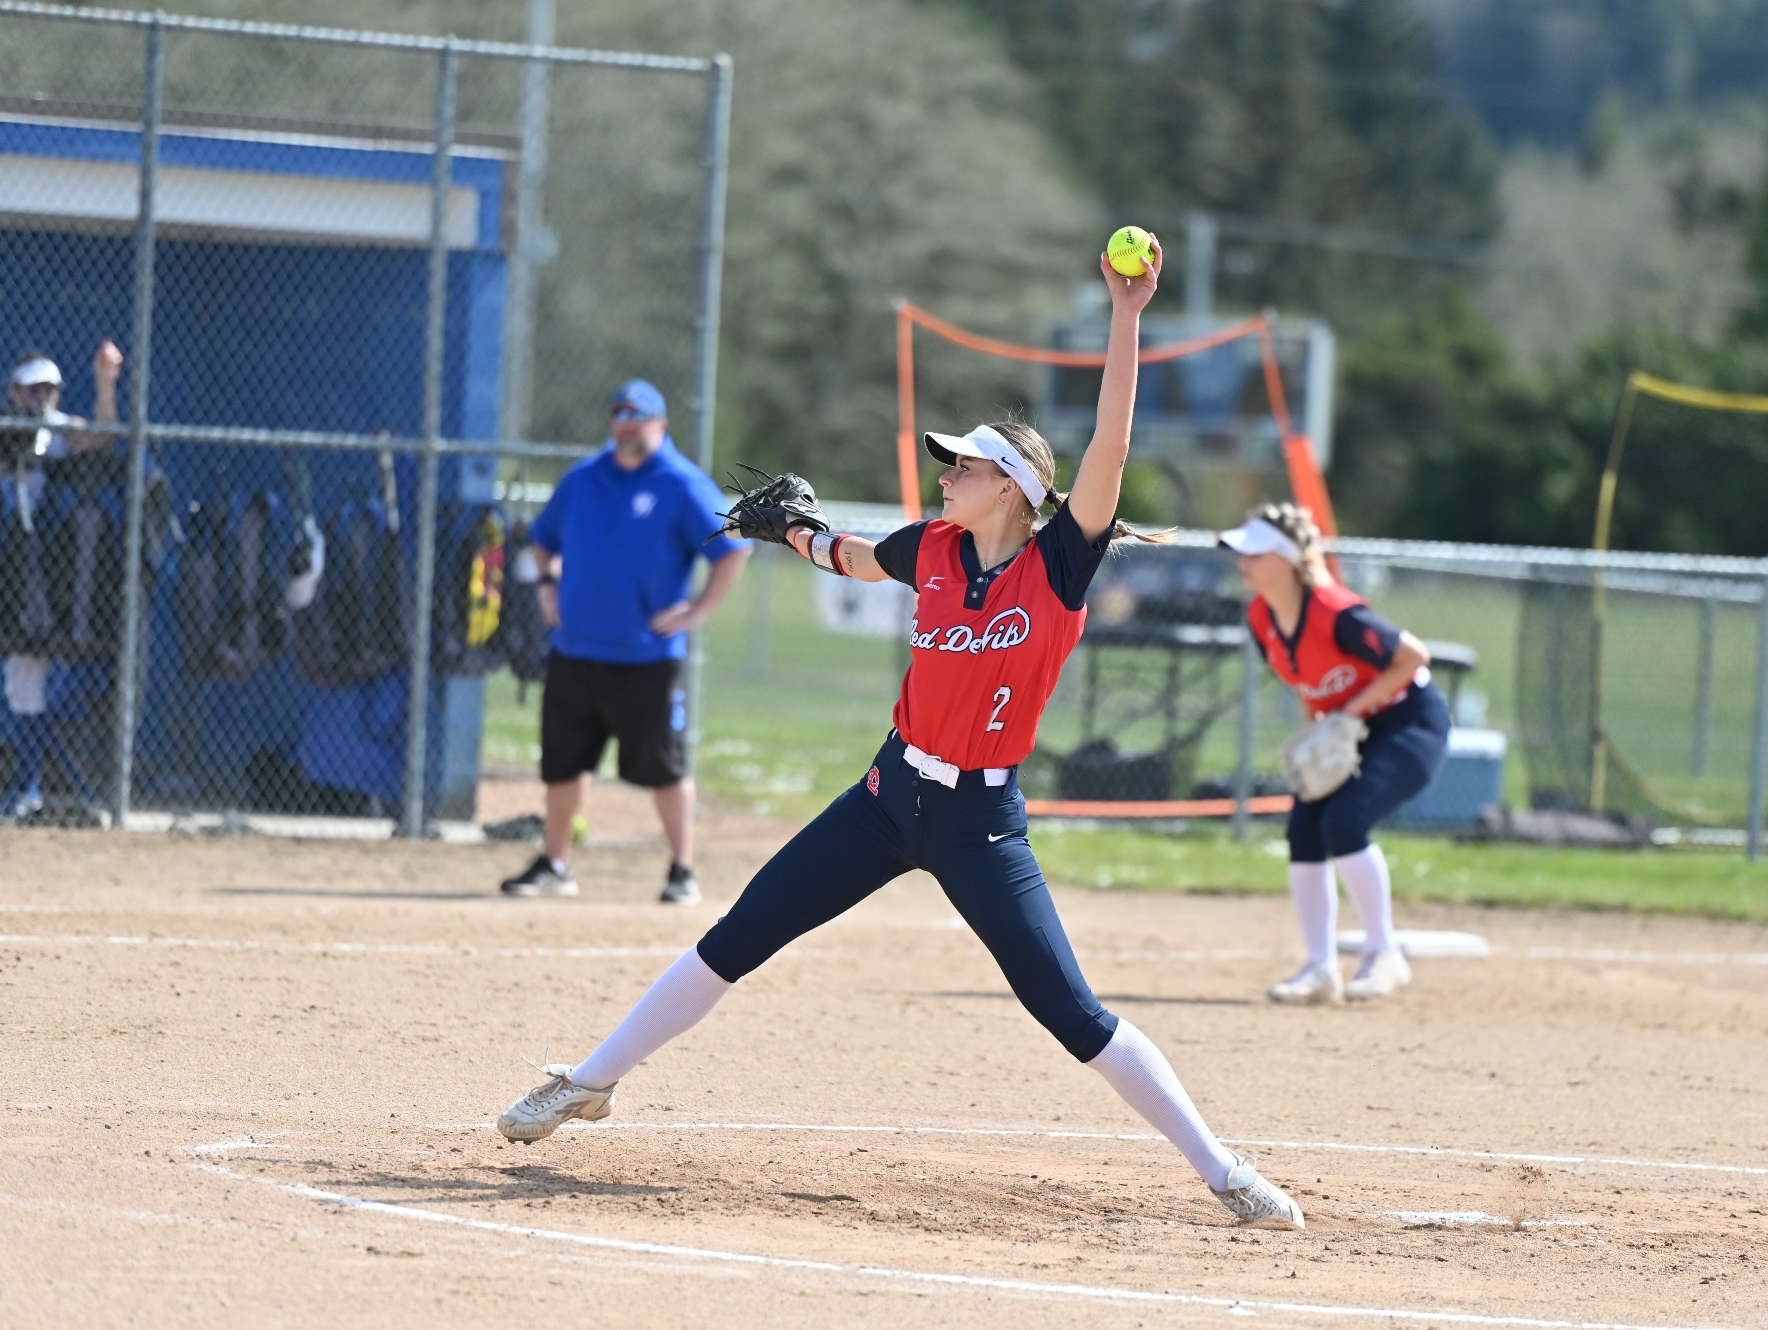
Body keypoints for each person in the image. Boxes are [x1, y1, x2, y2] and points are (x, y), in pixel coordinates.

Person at [494, 239, 1306, 1230]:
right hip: (886, 799)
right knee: (737, 935)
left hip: (979, 824)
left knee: (1069, 1011)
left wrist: (1126, 317)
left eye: (963, 465)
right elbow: (842, 552)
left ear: (1008, 485)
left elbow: (1108, 453)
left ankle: (1222, 1171)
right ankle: (588, 1079)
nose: (946, 474)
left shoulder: (1054, 567)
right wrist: (788, 532)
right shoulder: (929, 547)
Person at [498, 380, 750, 904]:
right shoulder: (585, 477)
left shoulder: (680, 483)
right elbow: (543, 542)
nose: (627, 422)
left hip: (647, 657)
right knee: (564, 765)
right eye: (620, 413)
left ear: (660, 423)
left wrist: (697, 611)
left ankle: (682, 870)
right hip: (575, 650)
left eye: (639, 414)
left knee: (664, 767)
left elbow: (732, 550)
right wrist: (546, 586)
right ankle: (555, 864)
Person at [1219, 505, 1450, 1004]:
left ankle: (1384, 954)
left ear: (1284, 559)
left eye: (1254, 552)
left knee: (1344, 823)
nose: (1243, 560)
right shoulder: (1261, 616)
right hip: (1349, 725)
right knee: (1304, 827)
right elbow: (1307, 682)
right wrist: (1320, 734)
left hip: (1408, 720)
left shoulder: (1334, 611)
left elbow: (1412, 659)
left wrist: (1349, 716)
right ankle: (1322, 969)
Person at [0, 341, 122, 819]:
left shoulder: (64, 432)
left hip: (36, 572)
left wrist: (105, 384)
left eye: (49, 390)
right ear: (13, 392)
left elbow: (103, 437)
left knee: (29, 673)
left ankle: (27, 789)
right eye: (32, 390)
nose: (41, 399)